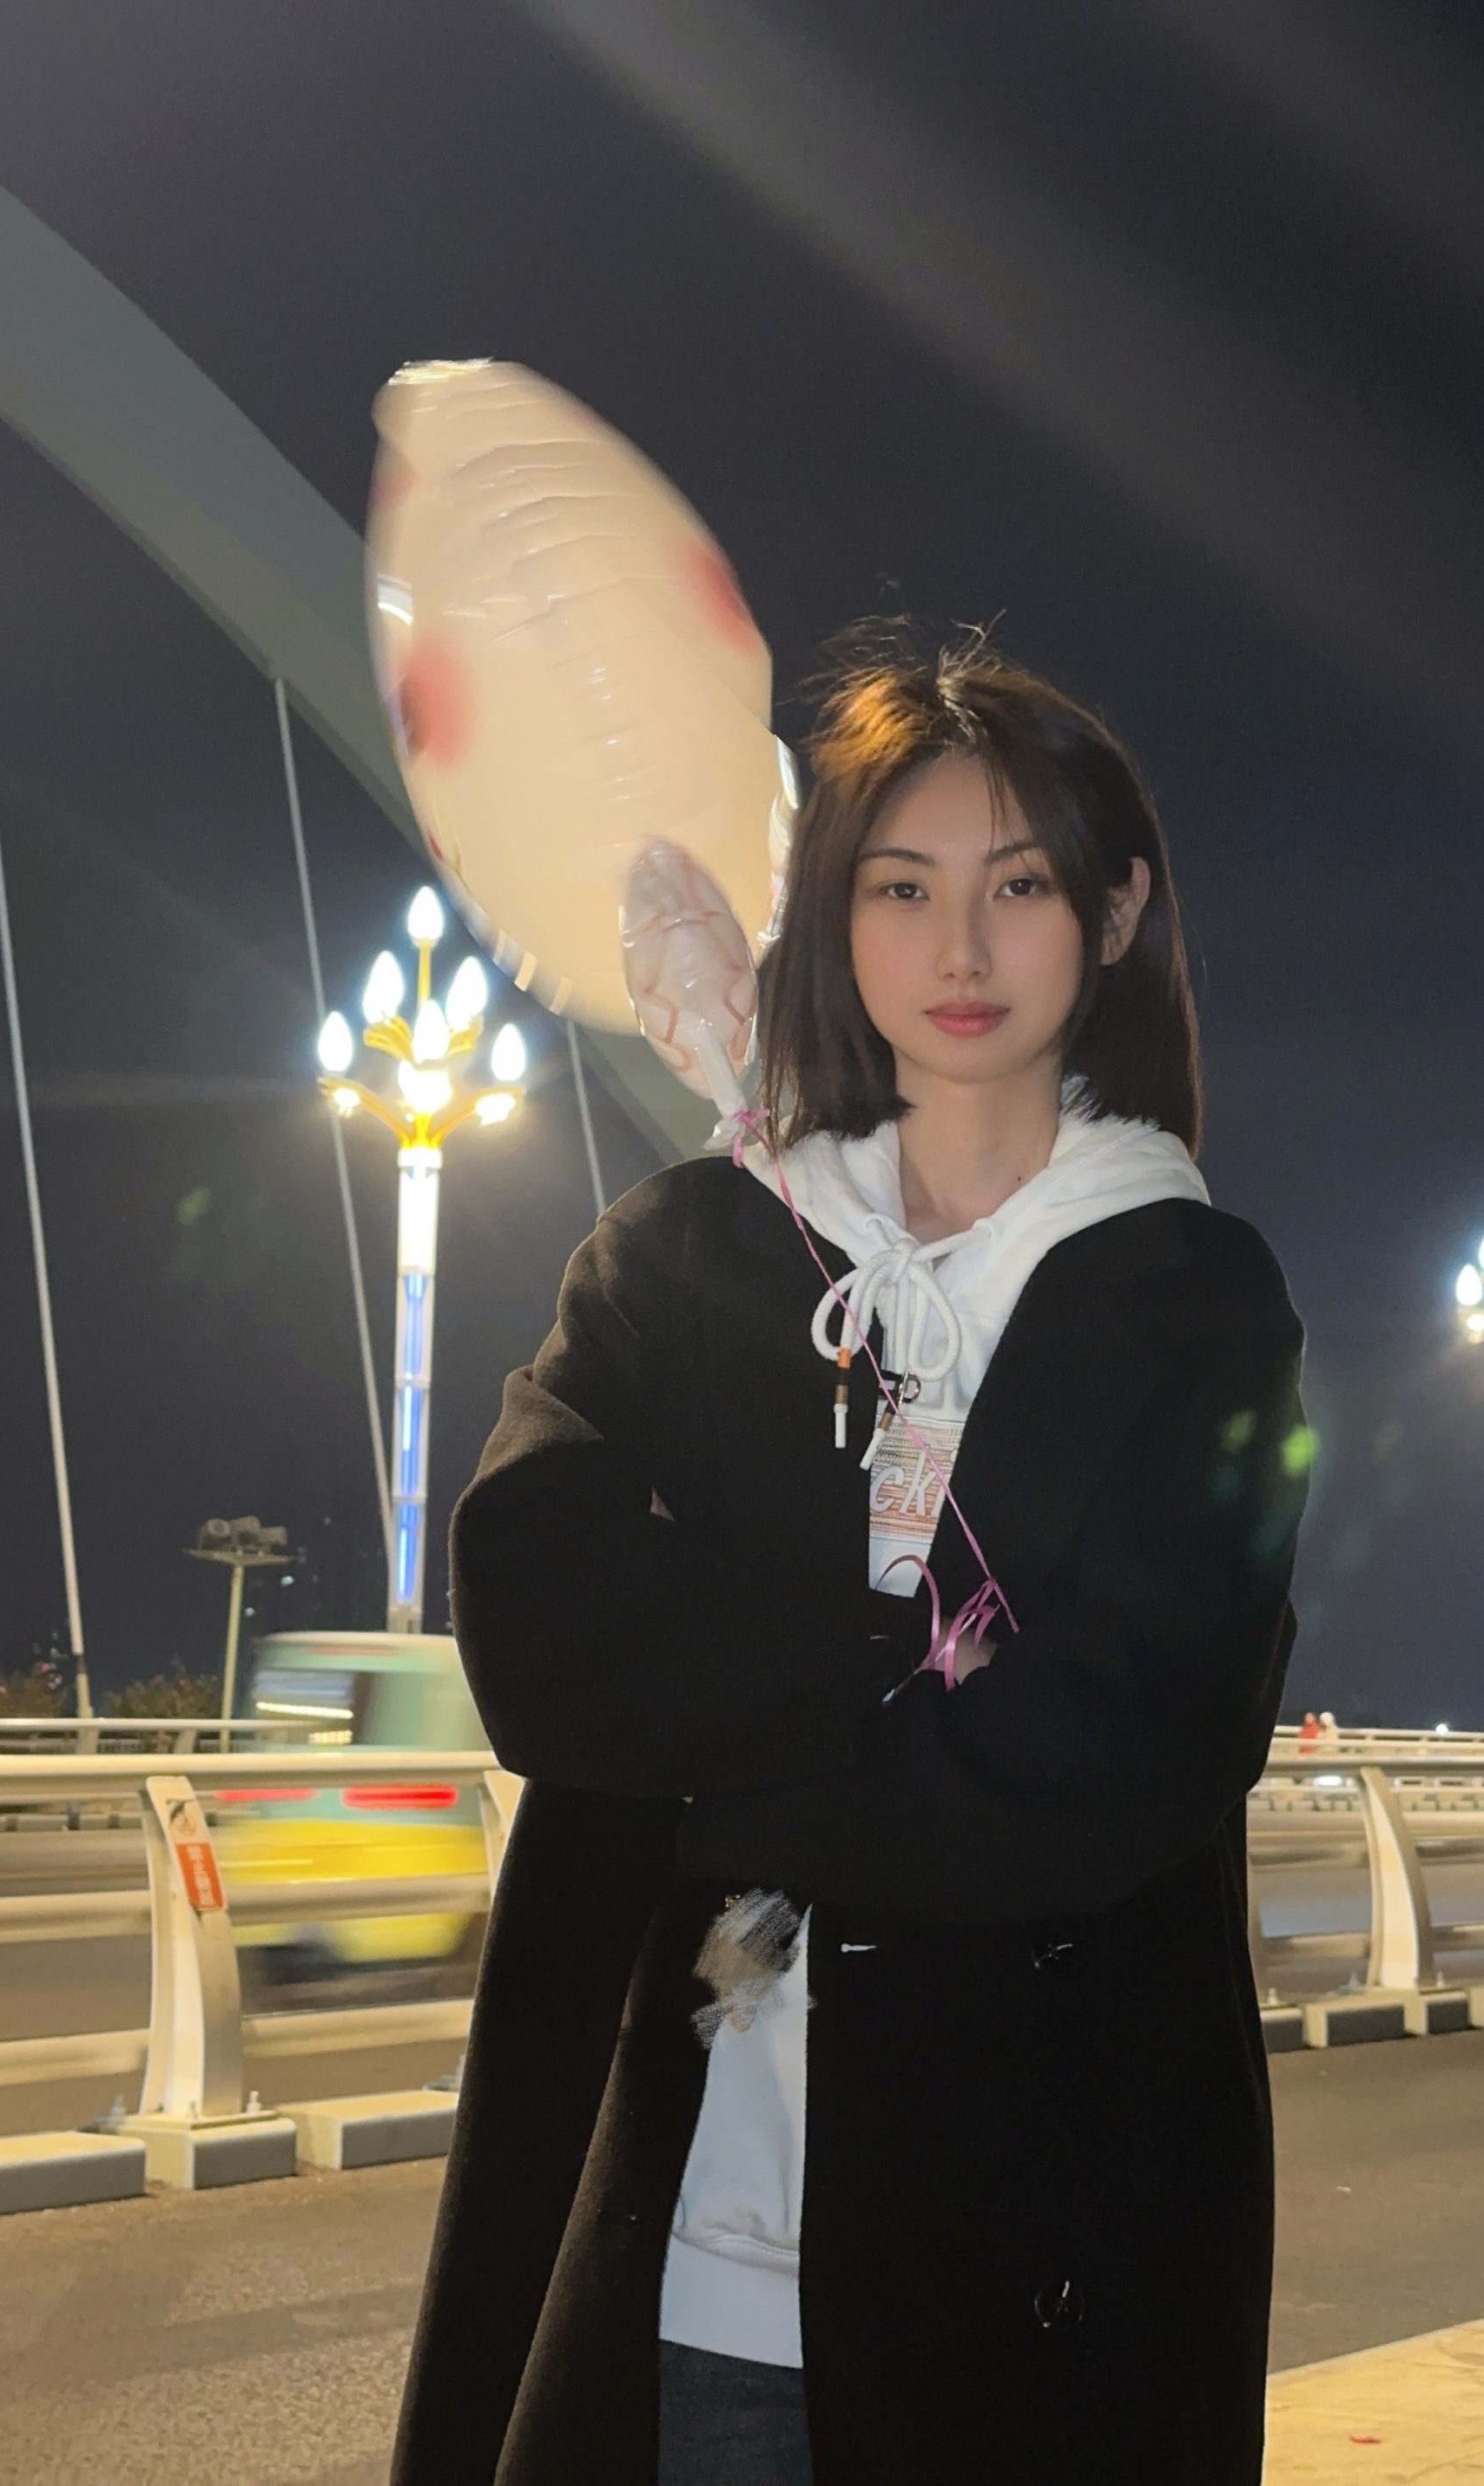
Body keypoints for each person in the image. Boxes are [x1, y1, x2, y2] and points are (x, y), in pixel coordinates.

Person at [391, 634, 1309, 2486]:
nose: (957, 950)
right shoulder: (694, 1252)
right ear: (831, 912)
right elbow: (537, 1615)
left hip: (1038, 2274)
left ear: (1116, 910)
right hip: (676, 2251)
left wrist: (709, 1782)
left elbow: (1121, 1749)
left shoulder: (1194, 1298)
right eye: (900, 888)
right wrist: (923, 1665)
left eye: (1019, 886)